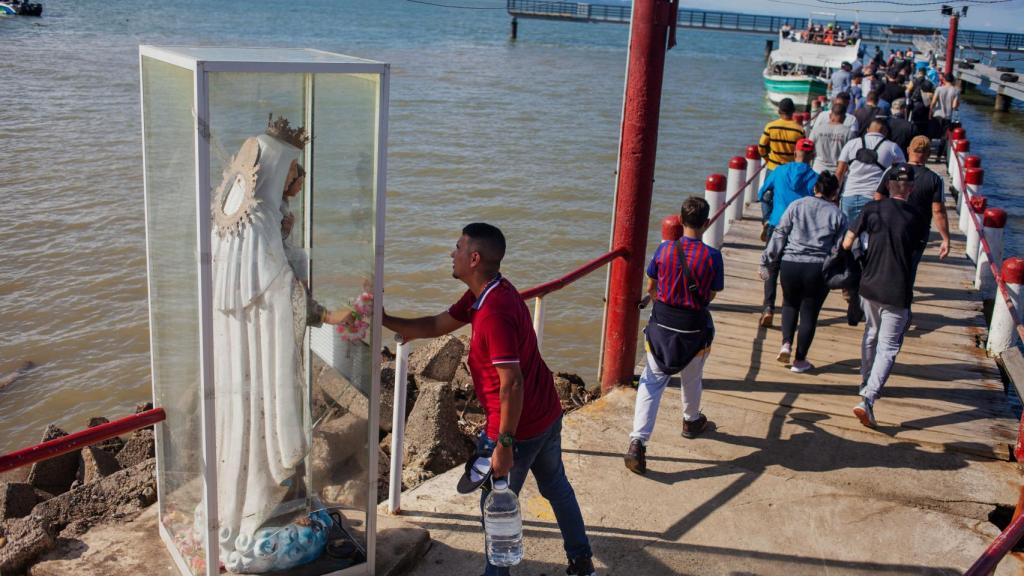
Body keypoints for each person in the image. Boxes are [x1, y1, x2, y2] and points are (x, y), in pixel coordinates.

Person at [382, 223, 596, 576]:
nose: (452, 253)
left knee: (495, 508)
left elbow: (511, 383)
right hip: (546, 413)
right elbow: (437, 324)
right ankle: (581, 560)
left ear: (475, 257)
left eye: (458, 247)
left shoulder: (494, 311)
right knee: (556, 486)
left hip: (518, 427)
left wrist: (504, 444)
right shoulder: (486, 293)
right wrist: (388, 319)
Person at [625, 197, 723, 474]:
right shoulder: (713, 257)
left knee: (651, 383)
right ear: (706, 223)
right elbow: (712, 293)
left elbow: (652, 286)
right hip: (694, 329)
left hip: (662, 328)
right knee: (692, 377)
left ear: (679, 221)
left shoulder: (665, 249)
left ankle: (637, 442)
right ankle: (691, 420)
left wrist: (662, 300)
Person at [842, 164, 926, 428]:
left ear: (887, 185)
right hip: (897, 289)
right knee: (888, 348)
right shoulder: (918, 218)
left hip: (869, 285)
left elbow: (847, 243)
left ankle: (864, 381)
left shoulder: (871, 209)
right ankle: (868, 398)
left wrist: (857, 254)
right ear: (910, 189)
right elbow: (914, 254)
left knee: (871, 333)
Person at [761, 172, 847, 373]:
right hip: (817, 268)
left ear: (815, 188)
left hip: (790, 264)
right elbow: (839, 246)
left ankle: (786, 344)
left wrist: (767, 259)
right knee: (809, 312)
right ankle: (800, 361)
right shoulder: (838, 214)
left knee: (789, 305)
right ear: (835, 193)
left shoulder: (796, 205)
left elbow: (780, 233)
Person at [757, 138, 819, 327]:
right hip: (801, 229)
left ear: (794, 153)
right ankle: (789, 308)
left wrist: (769, 213)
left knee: (771, 266)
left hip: (777, 224)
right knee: (791, 269)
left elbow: (761, 194)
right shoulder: (815, 177)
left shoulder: (779, 170)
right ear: (813, 156)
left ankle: (768, 307)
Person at [874, 136, 951, 283]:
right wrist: (946, 238)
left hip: (891, 226)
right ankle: (904, 297)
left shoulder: (892, 171)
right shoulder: (935, 179)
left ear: (908, 150)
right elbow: (938, 211)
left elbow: (879, 196)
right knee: (909, 267)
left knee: (888, 262)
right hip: (917, 231)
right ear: (928, 154)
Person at [835, 117, 906, 225]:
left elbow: (839, 172)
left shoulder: (851, 144)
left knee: (847, 234)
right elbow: (902, 175)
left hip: (849, 196)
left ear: (868, 129)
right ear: (885, 131)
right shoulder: (893, 148)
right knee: (869, 236)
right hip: (873, 198)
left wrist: (834, 195)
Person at [758, 98, 805, 173]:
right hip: (790, 170)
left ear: (779, 111)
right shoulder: (800, 130)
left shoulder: (770, 127)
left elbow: (761, 148)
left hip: (773, 168)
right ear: (793, 111)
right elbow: (802, 153)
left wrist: (767, 160)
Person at [810, 100, 853, 173]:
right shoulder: (849, 133)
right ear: (844, 117)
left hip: (818, 170)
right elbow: (851, 155)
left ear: (830, 115)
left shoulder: (817, 130)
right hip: (837, 173)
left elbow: (809, 149)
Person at [930, 73, 960, 159]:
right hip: (948, 116)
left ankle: (929, 152)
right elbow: (955, 106)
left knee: (932, 134)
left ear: (944, 80)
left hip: (937, 114)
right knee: (944, 137)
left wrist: (930, 112)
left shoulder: (939, 89)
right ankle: (939, 156)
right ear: (953, 80)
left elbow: (934, 102)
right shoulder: (956, 91)